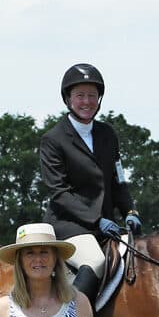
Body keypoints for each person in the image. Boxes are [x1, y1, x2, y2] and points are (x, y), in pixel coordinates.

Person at [40, 63, 141, 301]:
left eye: (92, 96)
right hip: (71, 226)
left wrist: (130, 211)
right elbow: (59, 192)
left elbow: (118, 181)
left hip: (107, 226)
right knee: (95, 261)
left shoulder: (108, 134)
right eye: (80, 96)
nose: (87, 101)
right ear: (68, 99)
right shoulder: (53, 139)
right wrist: (96, 220)